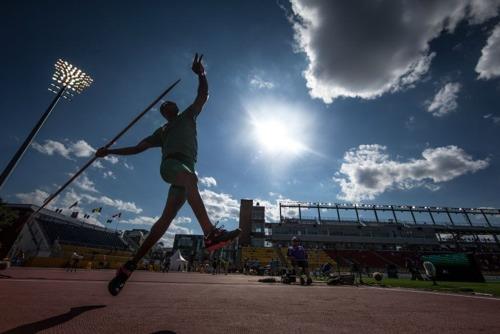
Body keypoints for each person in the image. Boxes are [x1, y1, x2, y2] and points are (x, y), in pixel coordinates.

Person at [99, 54, 241, 295]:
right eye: (163, 106)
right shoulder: (162, 131)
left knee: (162, 224)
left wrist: (201, 73)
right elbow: (137, 148)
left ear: (175, 108)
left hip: (185, 172)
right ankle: (210, 234)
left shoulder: (188, 116)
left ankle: (128, 267)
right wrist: (109, 151)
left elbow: (203, 96)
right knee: (190, 179)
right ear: (163, 114)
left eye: (170, 103)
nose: (168, 105)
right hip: (172, 167)